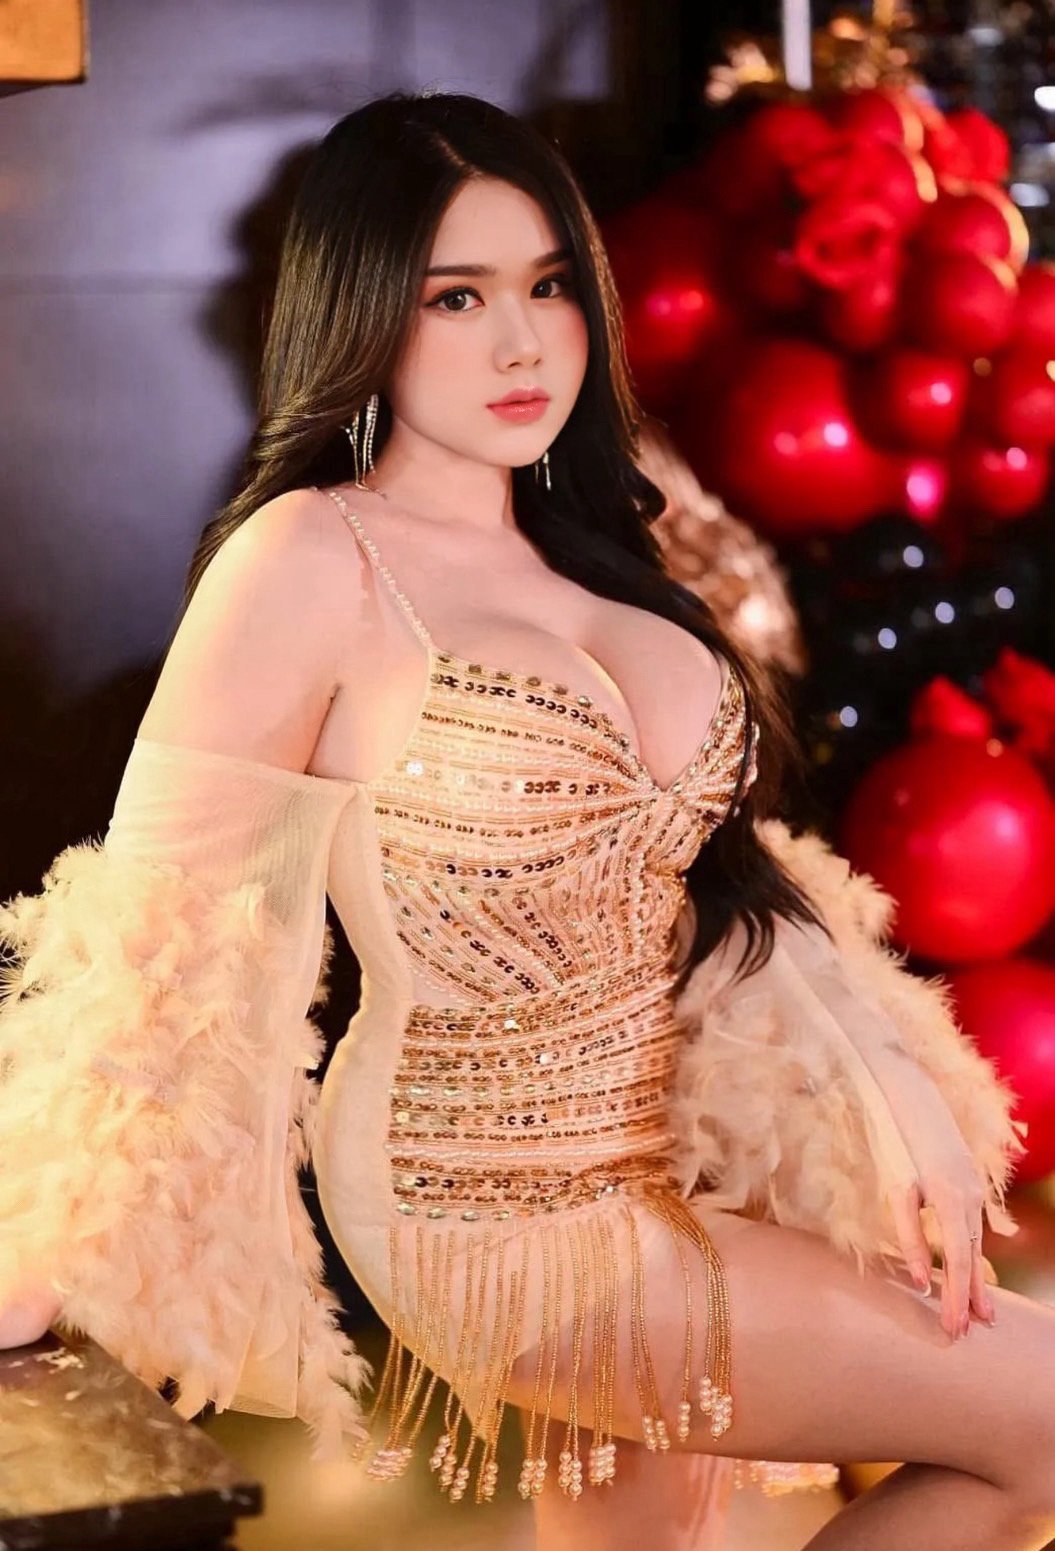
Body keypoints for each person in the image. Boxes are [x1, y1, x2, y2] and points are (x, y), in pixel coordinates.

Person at [1, 89, 1054, 1551]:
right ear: (366, 314)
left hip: (654, 1157)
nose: (522, 343)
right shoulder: (310, 556)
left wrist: (893, 1094)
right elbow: (162, 926)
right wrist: (36, 1249)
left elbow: (727, 885)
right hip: (480, 1203)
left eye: (551, 286)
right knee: (1041, 1417)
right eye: (458, 297)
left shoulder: (599, 553)